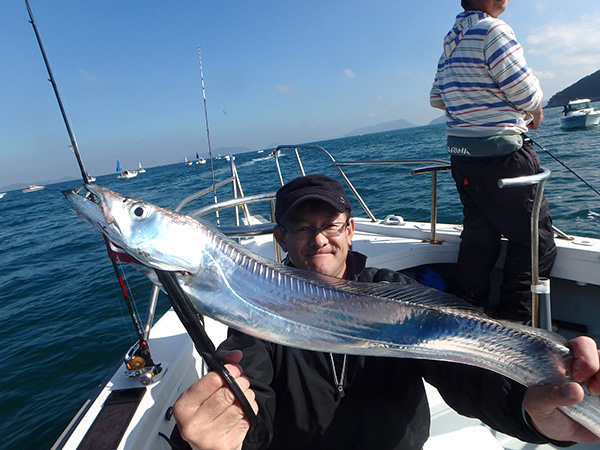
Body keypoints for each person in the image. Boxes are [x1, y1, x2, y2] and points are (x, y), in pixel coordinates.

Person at [171, 174, 600, 450]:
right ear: (281, 239)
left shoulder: (394, 294)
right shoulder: (259, 308)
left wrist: (529, 410)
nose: (318, 238)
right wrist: (212, 440)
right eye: (301, 227)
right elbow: (250, 403)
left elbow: (464, 372)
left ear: (350, 229)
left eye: (330, 224)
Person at [429, 0, 556, 321]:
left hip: (463, 160)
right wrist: (536, 113)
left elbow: (436, 98)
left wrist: (471, 108)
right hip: (505, 157)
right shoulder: (492, 30)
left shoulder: (452, 41)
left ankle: (467, 315)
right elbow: (527, 93)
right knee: (533, 241)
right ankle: (516, 325)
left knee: (479, 238)